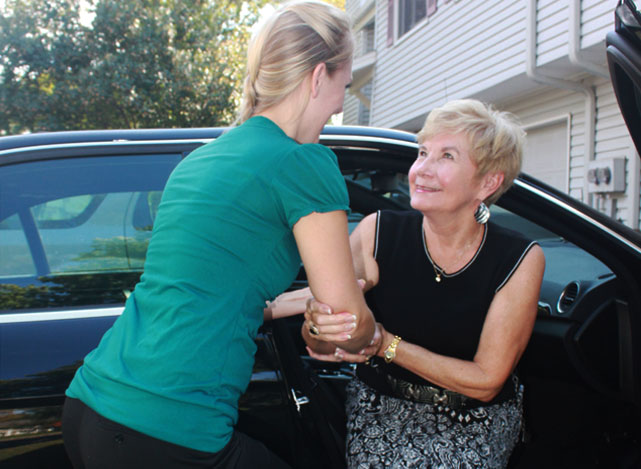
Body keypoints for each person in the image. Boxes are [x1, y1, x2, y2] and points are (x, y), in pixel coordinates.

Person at [61, 2, 376, 468]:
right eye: (342, 87)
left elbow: (210, 287)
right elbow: (345, 329)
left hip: (91, 407)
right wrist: (370, 321)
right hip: (170, 425)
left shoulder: (202, 159)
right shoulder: (304, 163)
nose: (338, 106)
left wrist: (305, 301)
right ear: (316, 77)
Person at [304, 99, 546, 468]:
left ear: (488, 181)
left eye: (447, 156)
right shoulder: (376, 232)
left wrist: (386, 344)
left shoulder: (520, 258)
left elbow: (486, 380)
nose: (421, 170)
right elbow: (322, 342)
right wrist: (319, 326)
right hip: (383, 408)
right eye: (422, 153)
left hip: (474, 419)